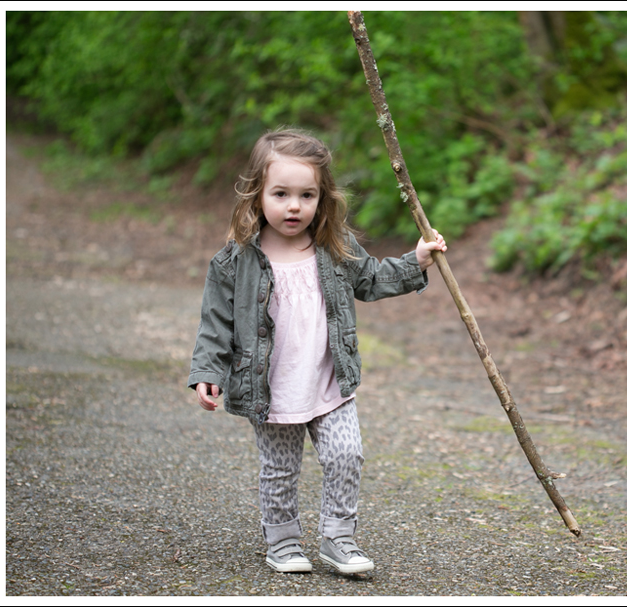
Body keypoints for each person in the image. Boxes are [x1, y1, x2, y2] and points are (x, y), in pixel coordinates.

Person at [188, 128, 446, 574]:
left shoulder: (333, 248)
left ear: (322, 198)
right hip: (272, 389)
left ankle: (338, 538)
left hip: (330, 381)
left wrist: (416, 260)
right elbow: (215, 324)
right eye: (281, 194)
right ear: (256, 195)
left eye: (307, 195)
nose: (294, 206)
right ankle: (283, 541)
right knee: (280, 470)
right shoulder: (234, 262)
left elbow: (371, 279)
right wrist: (207, 371)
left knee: (347, 455)